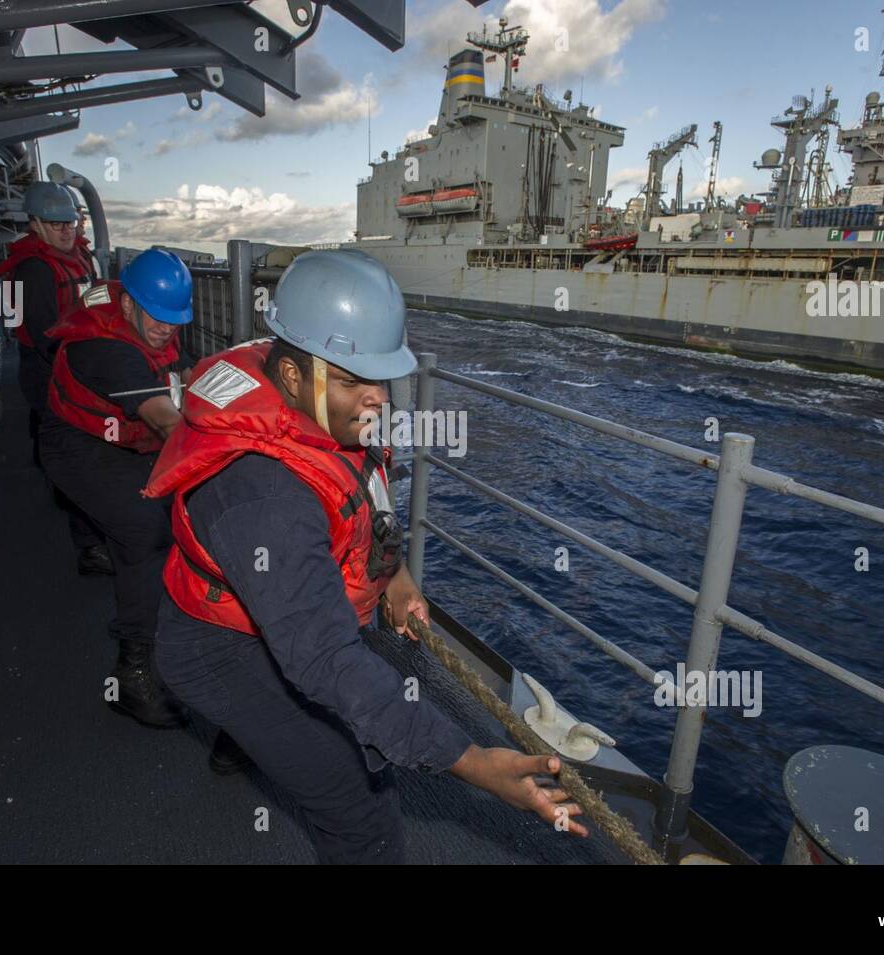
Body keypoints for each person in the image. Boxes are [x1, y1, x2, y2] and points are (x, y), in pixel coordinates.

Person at [146, 250, 586, 863]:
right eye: (354, 382)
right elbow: (323, 655)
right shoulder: (263, 493)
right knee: (361, 808)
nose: (377, 400)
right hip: (220, 648)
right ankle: (249, 729)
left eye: (380, 379)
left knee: (292, 722)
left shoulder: (331, 417)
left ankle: (244, 739)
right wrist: (473, 761)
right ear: (293, 377)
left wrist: (395, 576)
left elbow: (364, 505)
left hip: (271, 616)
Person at [38, 248, 197, 728]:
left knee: (138, 516)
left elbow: (190, 375)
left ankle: (97, 549)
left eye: (175, 320)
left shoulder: (154, 327)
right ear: (126, 303)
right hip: (76, 446)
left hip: (117, 440)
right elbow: (166, 421)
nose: (166, 329)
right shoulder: (103, 347)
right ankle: (133, 674)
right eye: (156, 316)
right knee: (145, 530)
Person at [0, 181, 110, 577]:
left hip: (76, 365)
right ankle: (91, 549)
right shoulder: (35, 270)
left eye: (71, 222)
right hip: (52, 371)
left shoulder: (79, 258)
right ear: (35, 225)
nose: (65, 230)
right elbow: (46, 334)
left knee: (71, 447)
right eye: (55, 223)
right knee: (76, 456)